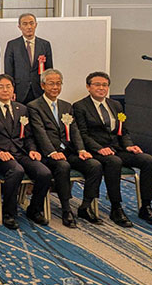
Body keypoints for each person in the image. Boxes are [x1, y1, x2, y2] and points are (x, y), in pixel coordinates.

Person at [73, 71, 152, 227]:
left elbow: (123, 131)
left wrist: (129, 145)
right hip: (96, 150)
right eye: (97, 84)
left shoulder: (116, 105)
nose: (101, 88)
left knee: (148, 160)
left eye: (105, 85)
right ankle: (116, 207)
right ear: (88, 87)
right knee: (114, 162)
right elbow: (82, 134)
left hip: (117, 148)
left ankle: (146, 206)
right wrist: (99, 149)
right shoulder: (80, 106)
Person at [28, 69, 103, 228]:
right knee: (63, 166)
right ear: (43, 85)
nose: (55, 87)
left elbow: (74, 131)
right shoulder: (34, 106)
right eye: (51, 83)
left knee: (94, 165)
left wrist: (81, 150)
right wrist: (52, 152)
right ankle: (66, 209)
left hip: (69, 151)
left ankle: (85, 206)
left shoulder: (66, 106)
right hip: (49, 154)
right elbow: (40, 133)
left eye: (58, 83)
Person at [0, 74, 51, 230]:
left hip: (20, 152)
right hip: (0, 156)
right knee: (16, 170)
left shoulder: (22, 109)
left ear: (13, 89)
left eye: (8, 86)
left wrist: (32, 150)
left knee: (44, 172)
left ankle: (34, 209)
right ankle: (9, 213)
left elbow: (28, 136)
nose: (5, 90)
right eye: (1, 87)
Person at [4, 13, 53, 104]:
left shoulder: (45, 44)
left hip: (39, 89)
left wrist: (48, 89)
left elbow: (49, 70)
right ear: (19, 27)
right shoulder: (12, 45)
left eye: (31, 23)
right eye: (25, 24)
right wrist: (11, 90)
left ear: (36, 25)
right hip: (19, 90)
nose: (29, 27)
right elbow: (9, 70)